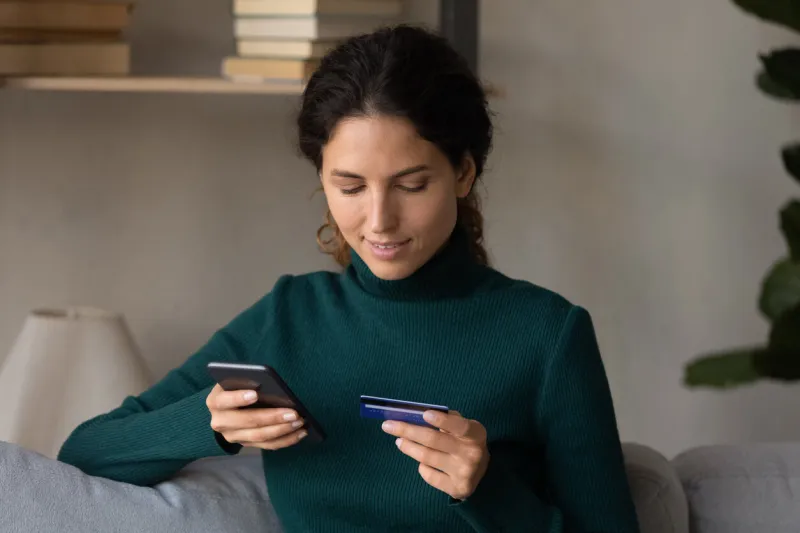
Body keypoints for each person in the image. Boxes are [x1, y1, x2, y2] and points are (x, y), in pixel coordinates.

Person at [57, 24, 640, 533]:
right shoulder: (289, 317)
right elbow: (86, 452)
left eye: (412, 185)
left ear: (463, 172)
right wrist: (208, 423)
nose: (380, 220)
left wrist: (487, 490)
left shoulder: (547, 335)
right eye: (351, 187)